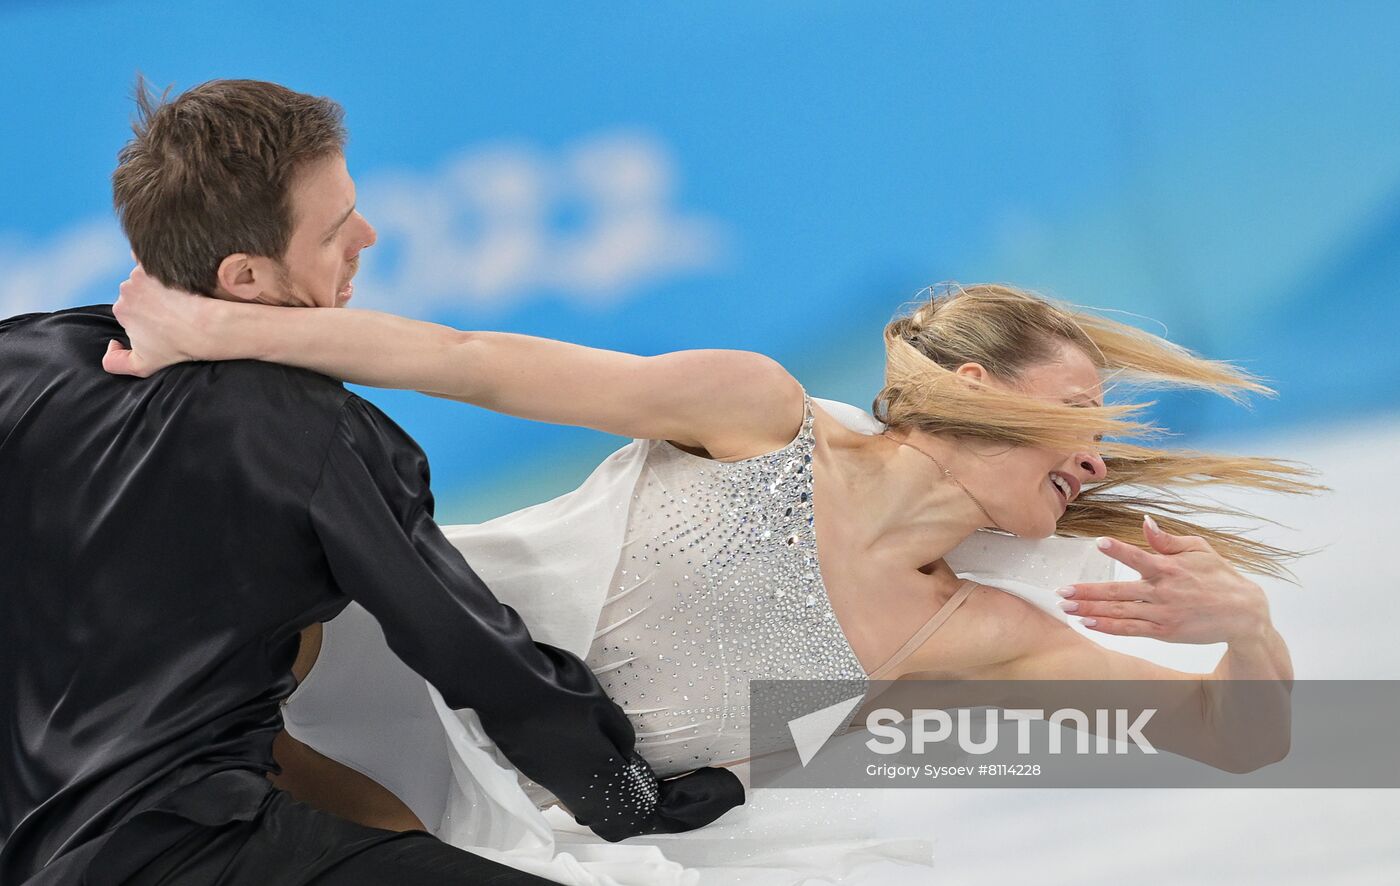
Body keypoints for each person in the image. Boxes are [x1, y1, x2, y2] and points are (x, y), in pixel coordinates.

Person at [102, 274, 1316, 879]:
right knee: (240, 584)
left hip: (494, 820)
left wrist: (1245, 630)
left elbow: (1240, 743)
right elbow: (460, 358)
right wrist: (215, 329)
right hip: (386, 642)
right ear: (977, 392)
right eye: (1076, 413)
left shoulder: (970, 627)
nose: (1098, 454)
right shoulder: (756, 414)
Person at [0, 79, 741, 886]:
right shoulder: (305, 430)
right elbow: (469, 646)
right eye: (333, 230)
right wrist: (620, 794)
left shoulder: (22, 358)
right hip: (196, 853)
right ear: (244, 277)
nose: (368, 235)